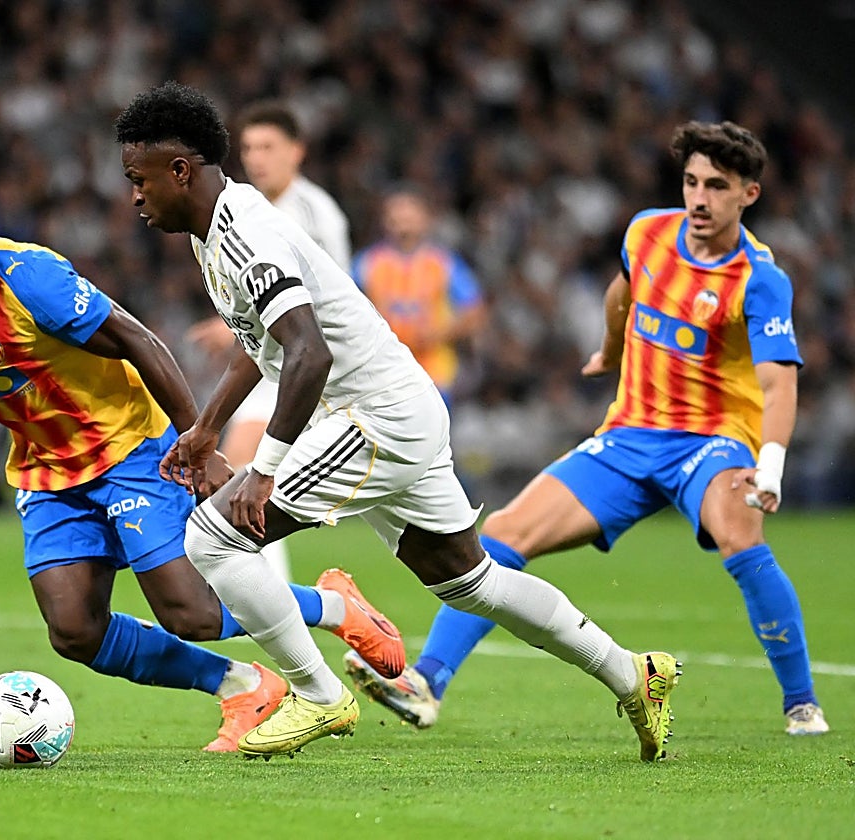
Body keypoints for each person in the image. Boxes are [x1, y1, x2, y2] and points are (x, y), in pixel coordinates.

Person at [115, 81, 680, 761]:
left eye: (138, 179)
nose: (135, 196)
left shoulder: (243, 234)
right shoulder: (216, 233)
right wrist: (208, 427)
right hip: (398, 409)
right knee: (471, 582)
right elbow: (257, 339)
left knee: (215, 538)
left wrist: (262, 471)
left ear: (181, 170)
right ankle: (632, 674)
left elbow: (308, 352)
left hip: (371, 417)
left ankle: (319, 698)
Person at [0, 160, 407, 753]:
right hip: (47, 474)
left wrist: (198, 441)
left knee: (189, 612)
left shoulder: (26, 277)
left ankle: (332, 605)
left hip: (129, 448)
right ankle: (243, 686)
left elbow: (140, 341)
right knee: (74, 631)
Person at [345, 120, 829, 738]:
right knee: (504, 530)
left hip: (713, 440)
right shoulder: (648, 232)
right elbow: (621, 293)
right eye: (691, 182)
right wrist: (611, 352)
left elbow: (779, 383)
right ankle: (425, 683)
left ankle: (802, 704)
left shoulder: (760, 279)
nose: (700, 198)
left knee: (739, 534)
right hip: (629, 436)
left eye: (717, 185)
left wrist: (772, 464)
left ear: (748, 194)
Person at [187, 99, 353, 581]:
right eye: (249, 147)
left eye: (268, 146)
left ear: (296, 152)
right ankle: (271, 597)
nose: (256, 157)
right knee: (246, 474)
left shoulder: (315, 213)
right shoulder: (249, 206)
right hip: (273, 362)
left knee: (246, 473)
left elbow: (323, 300)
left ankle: (270, 599)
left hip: (311, 363)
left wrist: (235, 327)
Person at [351, 185, 487, 405]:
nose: (403, 225)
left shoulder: (443, 263)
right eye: (396, 218)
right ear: (385, 221)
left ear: (426, 219)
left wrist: (439, 333)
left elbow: (475, 310)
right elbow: (342, 306)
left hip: (434, 372)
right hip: (381, 373)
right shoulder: (366, 263)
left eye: (410, 218)